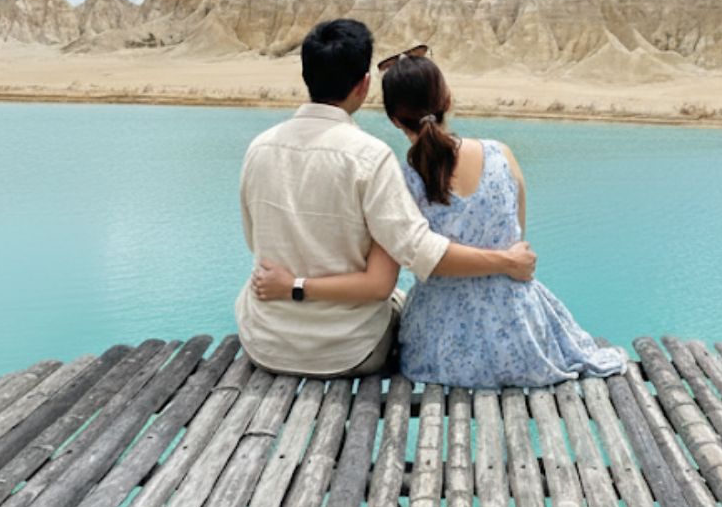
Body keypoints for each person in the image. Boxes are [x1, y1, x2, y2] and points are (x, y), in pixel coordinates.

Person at [254, 49, 627, 388]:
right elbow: (517, 241)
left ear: (394, 120)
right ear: (447, 100)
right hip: (521, 338)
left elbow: (397, 268)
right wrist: (505, 264)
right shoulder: (502, 155)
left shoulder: (400, 179)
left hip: (439, 350)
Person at [235, 20, 537, 378]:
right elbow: (396, 271)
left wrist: (293, 286)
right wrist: (506, 261)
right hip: (349, 352)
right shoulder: (370, 157)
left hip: (265, 344)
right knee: (400, 302)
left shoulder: (259, 148)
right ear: (364, 87)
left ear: (306, 75)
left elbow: (255, 241)